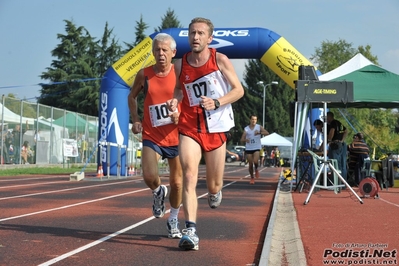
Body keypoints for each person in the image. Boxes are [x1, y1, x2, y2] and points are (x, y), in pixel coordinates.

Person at [166, 17, 244, 251]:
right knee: (189, 175)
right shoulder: (180, 64)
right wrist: (174, 101)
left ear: (209, 38)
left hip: (216, 127)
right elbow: (179, 90)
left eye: (200, 33)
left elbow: (239, 90)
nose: (195, 37)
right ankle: (190, 230)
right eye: (192, 33)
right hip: (189, 126)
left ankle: (215, 191)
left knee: (213, 185)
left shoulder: (219, 59)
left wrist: (217, 101)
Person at [128, 33, 183, 239]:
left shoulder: (180, 75)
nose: (160, 54)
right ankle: (158, 191)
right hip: (152, 134)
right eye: (157, 50)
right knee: (150, 176)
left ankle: (174, 219)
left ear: (173, 52)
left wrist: (179, 114)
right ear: (153, 52)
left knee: (177, 184)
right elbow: (131, 96)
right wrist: (135, 119)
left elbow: (188, 101)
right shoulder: (145, 74)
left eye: (164, 50)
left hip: (176, 136)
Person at [240, 115, 269, 184]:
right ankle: (252, 177)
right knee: (250, 164)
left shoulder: (259, 127)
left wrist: (259, 133)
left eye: (255, 119)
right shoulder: (246, 129)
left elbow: (267, 133)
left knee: (255, 161)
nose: (254, 121)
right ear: (250, 120)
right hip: (249, 148)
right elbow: (242, 139)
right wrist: (245, 140)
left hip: (256, 147)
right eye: (252, 119)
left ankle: (256, 169)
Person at [326, 111, 348, 181]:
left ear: (329, 117)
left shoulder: (333, 123)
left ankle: (336, 181)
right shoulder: (338, 122)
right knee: (342, 164)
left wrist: (329, 140)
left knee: (334, 164)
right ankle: (343, 182)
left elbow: (332, 131)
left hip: (335, 145)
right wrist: (342, 140)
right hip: (341, 144)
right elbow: (346, 130)